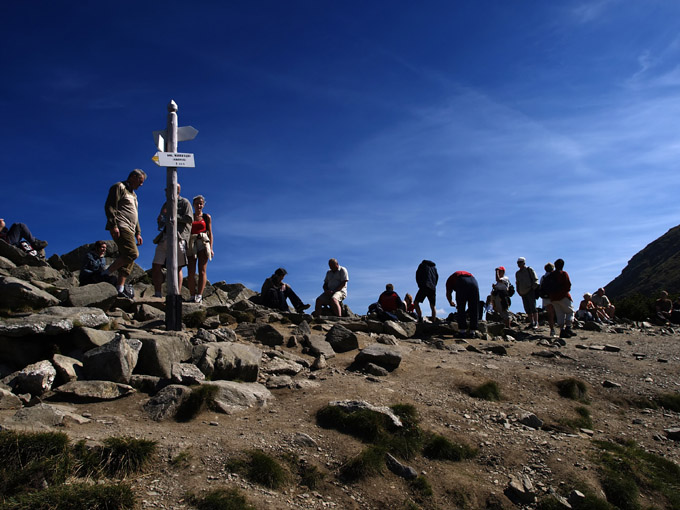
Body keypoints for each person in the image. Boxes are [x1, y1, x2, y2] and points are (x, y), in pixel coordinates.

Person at [104, 169, 146, 299]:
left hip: (131, 229)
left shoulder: (134, 195)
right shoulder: (119, 187)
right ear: (133, 177)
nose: (141, 184)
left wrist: (138, 233)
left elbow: (135, 215)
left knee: (128, 257)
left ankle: (120, 288)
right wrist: (113, 225)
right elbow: (110, 206)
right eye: (140, 181)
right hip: (121, 225)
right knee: (132, 253)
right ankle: (105, 274)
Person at [151, 185, 193, 298]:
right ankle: (158, 293)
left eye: (167, 189)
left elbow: (189, 219)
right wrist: (160, 221)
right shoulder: (166, 204)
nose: (165, 191)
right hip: (164, 237)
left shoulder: (184, 202)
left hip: (179, 237)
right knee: (156, 265)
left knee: (177, 266)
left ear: (176, 190)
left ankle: (176, 294)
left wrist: (173, 216)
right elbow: (162, 222)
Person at [187, 195, 213, 304]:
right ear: (193, 205)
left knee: (202, 270)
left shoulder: (207, 217)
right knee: (191, 271)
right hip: (192, 242)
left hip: (203, 242)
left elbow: (210, 233)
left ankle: (199, 295)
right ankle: (192, 294)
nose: (199, 205)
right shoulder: (189, 217)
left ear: (203, 204)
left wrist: (211, 248)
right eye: (197, 203)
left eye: (201, 203)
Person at [546, 258, 575, 339]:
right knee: (570, 312)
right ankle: (568, 328)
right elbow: (568, 286)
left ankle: (562, 330)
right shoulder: (563, 274)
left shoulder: (550, 275)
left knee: (559, 314)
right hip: (563, 296)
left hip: (553, 298)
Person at [446, 271, 480, 336]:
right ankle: (472, 332)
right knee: (474, 307)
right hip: (474, 281)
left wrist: (450, 302)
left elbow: (448, 293)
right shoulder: (454, 277)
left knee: (461, 307)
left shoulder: (449, 280)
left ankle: (462, 331)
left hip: (461, 281)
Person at [515, 257, 539, 329]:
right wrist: (518, 291)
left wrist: (533, 288)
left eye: (520, 262)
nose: (519, 264)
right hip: (523, 292)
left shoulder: (529, 269)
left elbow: (535, 280)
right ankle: (532, 323)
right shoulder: (517, 273)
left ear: (524, 263)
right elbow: (517, 283)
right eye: (518, 262)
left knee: (533, 307)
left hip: (530, 291)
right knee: (527, 308)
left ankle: (536, 322)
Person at [539, 262, 557, 337]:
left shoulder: (543, 278)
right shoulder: (555, 276)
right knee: (558, 312)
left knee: (550, 314)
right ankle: (562, 328)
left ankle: (552, 330)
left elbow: (540, 287)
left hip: (546, 297)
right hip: (555, 296)